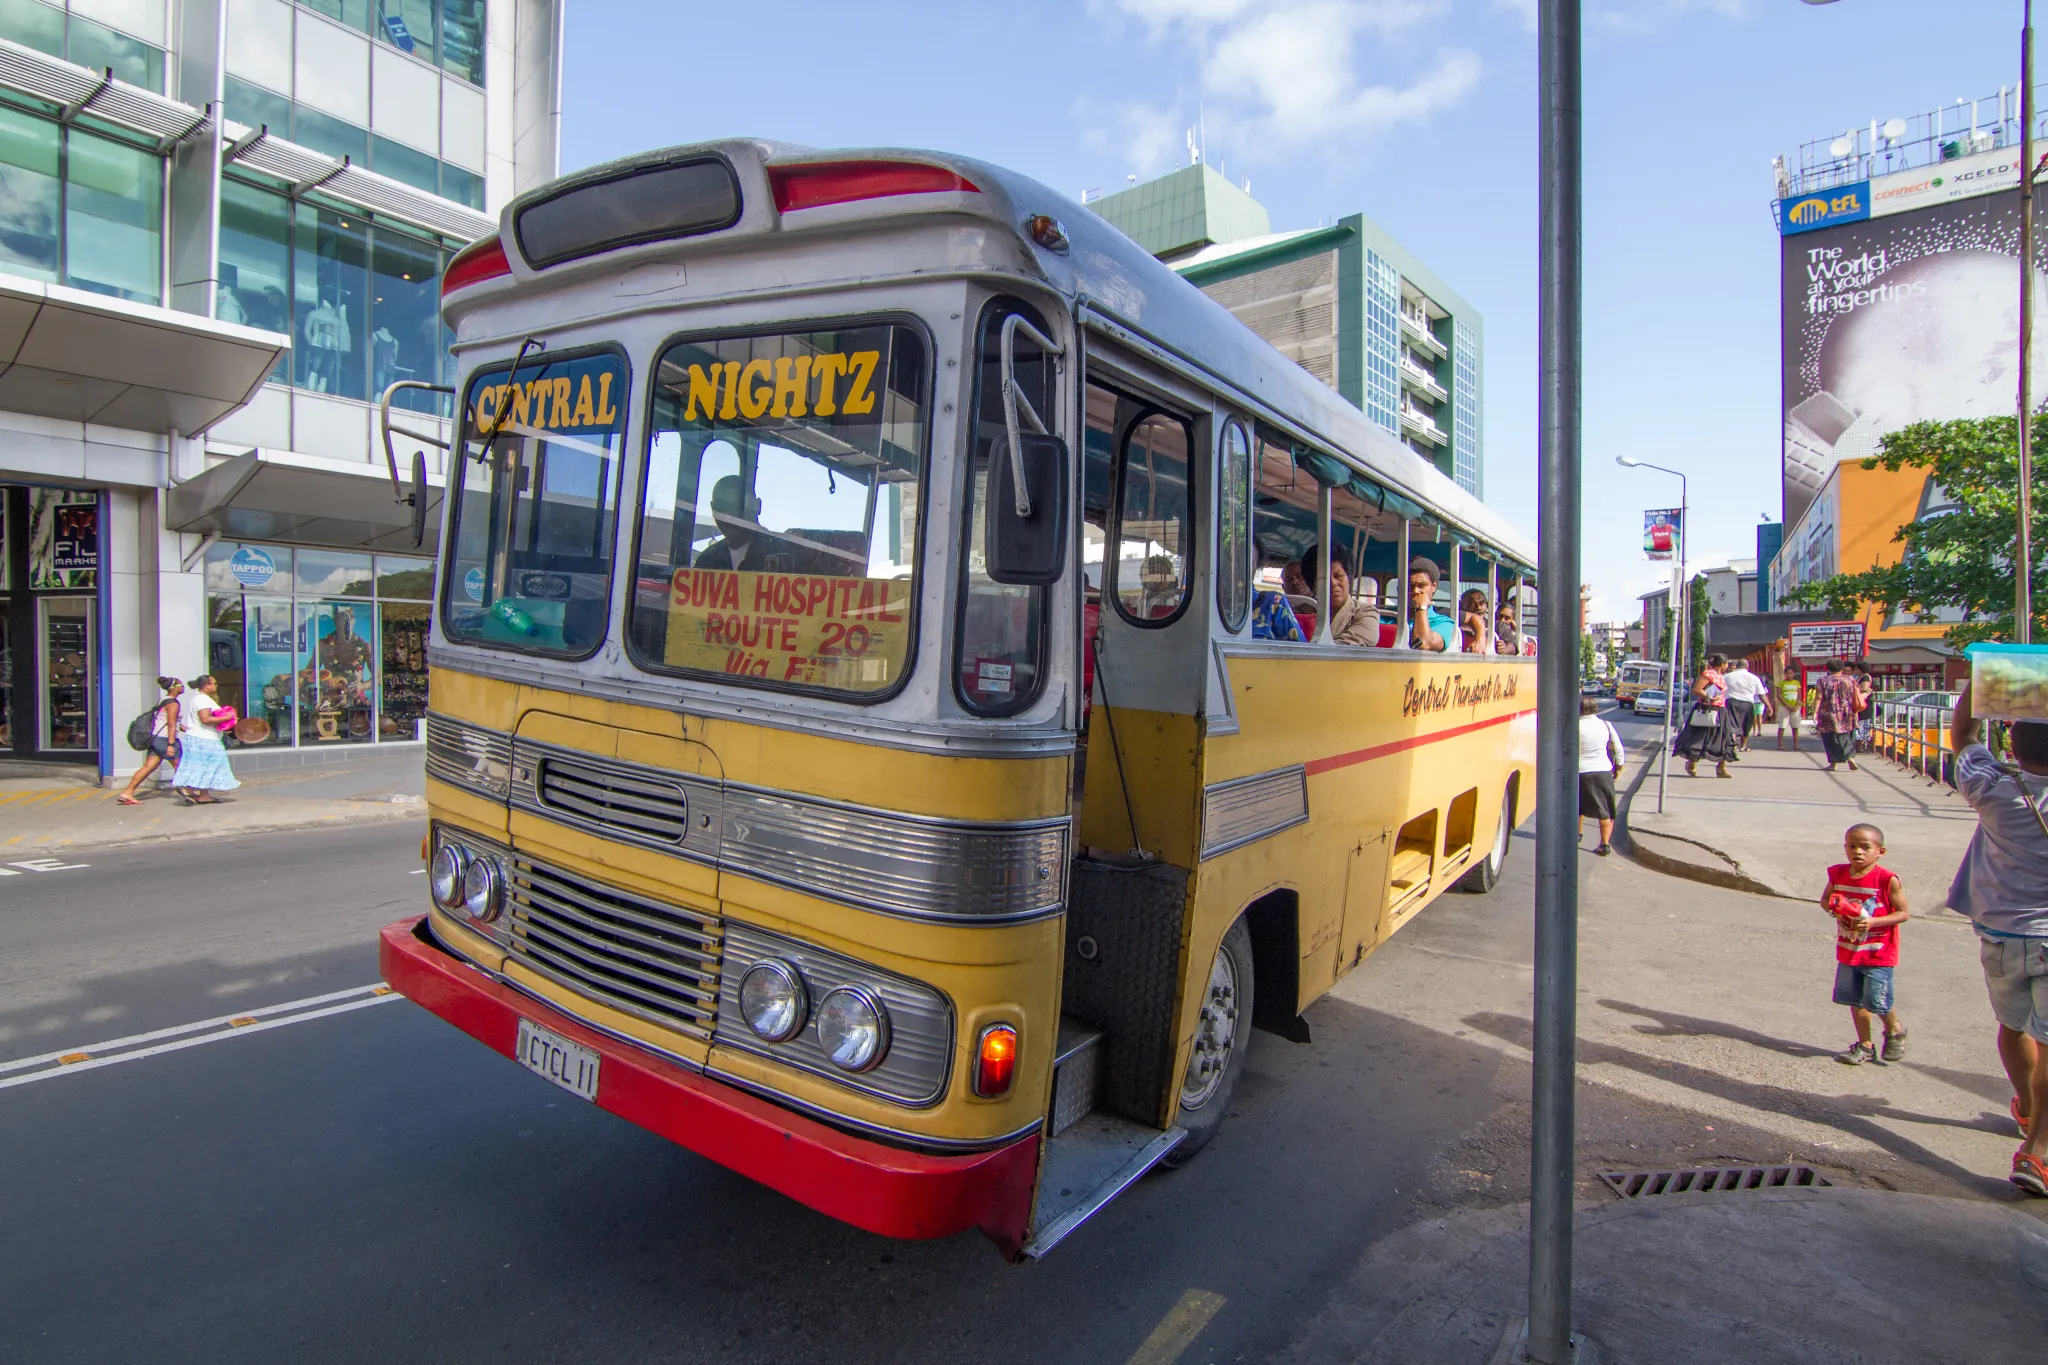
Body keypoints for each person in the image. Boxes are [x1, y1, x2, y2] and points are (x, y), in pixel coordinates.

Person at [1944, 684, 2048, 1193]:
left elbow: (1961, 735)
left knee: (2013, 1026)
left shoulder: (1991, 788)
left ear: (2014, 747)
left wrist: (1981, 686)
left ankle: (2028, 1109)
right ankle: (2040, 1152)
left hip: (2001, 935)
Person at [1824, 822, 1909, 1065]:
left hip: (1878, 953)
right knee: (1855, 1000)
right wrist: (1836, 911)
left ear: (1880, 851)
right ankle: (1865, 1045)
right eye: (1852, 846)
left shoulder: (1887, 879)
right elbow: (1826, 899)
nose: (1857, 852)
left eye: (1865, 847)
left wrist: (1873, 921)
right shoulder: (1838, 874)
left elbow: (1903, 913)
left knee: (1877, 1000)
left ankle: (1894, 1028)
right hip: (1850, 949)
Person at [169, 674, 241, 805]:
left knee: (204, 766)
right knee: (211, 765)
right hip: (205, 739)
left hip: (201, 737)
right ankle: (187, 788)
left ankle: (204, 795)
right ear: (207, 686)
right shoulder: (202, 700)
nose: (216, 686)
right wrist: (228, 717)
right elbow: (205, 719)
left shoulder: (198, 698)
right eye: (214, 684)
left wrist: (223, 725)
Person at [693, 475, 790, 572]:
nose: (728, 515)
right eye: (720, 507)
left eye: (736, 506)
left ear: (757, 506)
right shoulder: (705, 561)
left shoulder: (788, 553)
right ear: (712, 508)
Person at [116, 677, 183, 806]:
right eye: (180, 685)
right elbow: (171, 724)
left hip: (155, 738)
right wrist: (170, 744)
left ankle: (127, 793)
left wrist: (186, 728)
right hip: (165, 739)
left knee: (149, 767)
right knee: (180, 765)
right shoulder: (173, 703)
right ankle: (188, 792)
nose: (183, 687)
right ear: (174, 688)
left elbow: (166, 722)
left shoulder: (163, 701)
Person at [1301, 544, 1380, 646]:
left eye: (1338, 576)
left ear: (1349, 579)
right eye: (1323, 579)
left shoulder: (1366, 613)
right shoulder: (1303, 611)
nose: (1333, 583)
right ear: (1314, 585)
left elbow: (1347, 646)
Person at [1672, 652, 1733, 778]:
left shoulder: (1721, 675)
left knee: (1724, 738)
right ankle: (1691, 762)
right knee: (1700, 737)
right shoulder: (1708, 674)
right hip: (1707, 708)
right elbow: (1697, 689)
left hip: (1720, 709)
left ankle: (1721, 767)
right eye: (1727, 663)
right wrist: (1709, 697)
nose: (1728, 665)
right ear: (1722, 664)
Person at [1578, 696, 1625, 855]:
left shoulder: (1574, 725)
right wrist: (1619, 766)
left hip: (1579, 771)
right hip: (1602, 770)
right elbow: (1618, 747)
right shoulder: (1605, 725)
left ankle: (1577, 834)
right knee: (1605, 809)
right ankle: (1604, 844)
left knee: (1577, 806)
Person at [1813, 657, 1861, 772]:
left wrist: (1815, 711)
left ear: (1828, 668)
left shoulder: (1823, 680)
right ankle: (1849, 756)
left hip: (1827, 712)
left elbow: (1819, 697)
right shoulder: (1850, 680)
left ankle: (1833, 763)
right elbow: (1856, 695)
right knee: (1846, 735)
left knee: (1828, 737)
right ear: (1842, 668)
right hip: (1846, 712)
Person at [1404, 557, 1456, 653]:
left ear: (1433, 586)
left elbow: (1423, 644)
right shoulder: (1390, 616)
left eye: (1422, 585)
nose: (1415, 591)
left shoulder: (1443, 623)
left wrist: (1421, 607)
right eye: (1411, 586)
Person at [1723, 657, 1770, 753]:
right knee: (1746, 724)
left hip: (1731, 702)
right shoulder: (1754, 677)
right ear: (1747, 667)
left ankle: (1733, 745)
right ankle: (1743, 746)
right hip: (1747, 703)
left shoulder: (1727, 676)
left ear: (1736, 666)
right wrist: (1768, 706)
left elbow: (1719, 690)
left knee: (1732, 724)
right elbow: (1761, 694)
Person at [1775, 671, 1805, 749]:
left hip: (1795, 707)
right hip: (1784, 707)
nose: (1789, 675)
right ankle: (1780, 745)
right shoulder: (1781, 683)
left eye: (1791, 673)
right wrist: (1787, 705)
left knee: (1795, 727)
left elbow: (1799, 695)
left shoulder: (1797, 683)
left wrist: (1797, 705)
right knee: (1782, 726)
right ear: (1785, 674)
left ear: (1793, 674)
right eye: (1787, 673)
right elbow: (1779, 695)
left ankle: (1796, 745)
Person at [1459, 590, 1492, 654]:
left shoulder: (1497, 626)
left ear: (1487, 605)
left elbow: (1513, 646)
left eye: (1482, 603)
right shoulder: (1456, 626)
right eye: (1472, 604)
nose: (1479, 607)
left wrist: (1504, 648)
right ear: (1462, 606)